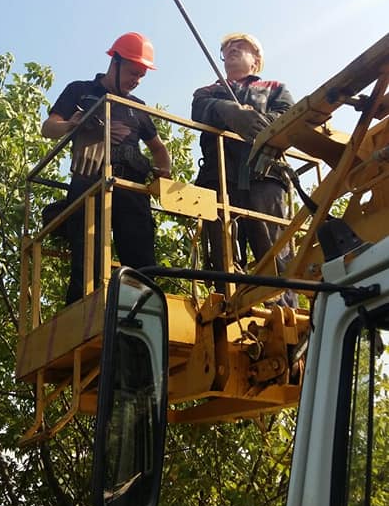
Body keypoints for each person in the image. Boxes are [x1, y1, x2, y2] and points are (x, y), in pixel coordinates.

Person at [42, 32, 171, 304]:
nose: (136, 81)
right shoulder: (80, 91)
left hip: (131, 187)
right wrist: (71, 125)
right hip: (90, 181)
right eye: (133, 73)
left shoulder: (137, 107)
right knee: (88, 261)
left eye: (141, 76)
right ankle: (83, 314)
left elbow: (159, 149)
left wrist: (164, 174)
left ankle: (141, 312)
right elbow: (48, 128)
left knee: (142, 265)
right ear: (116, 61)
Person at [191, 32, 295, 295]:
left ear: (256, 60)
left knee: (274, 252)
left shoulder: (275, 88)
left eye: (240, 47)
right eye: (228, 48)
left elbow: (288, 118)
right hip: (220, 178)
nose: (232, 50)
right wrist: (227, 109)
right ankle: (226, 306)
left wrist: (258, 120)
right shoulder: (208, 91)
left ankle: (283, 306)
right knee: (223, 255)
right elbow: (199, 111)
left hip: (264, 176)